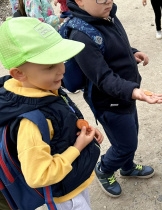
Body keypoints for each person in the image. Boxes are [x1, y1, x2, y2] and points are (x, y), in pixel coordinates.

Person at [0, 17, 104, 209]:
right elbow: (39, 176)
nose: (61, 71)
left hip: (73, 178)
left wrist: (82, 126)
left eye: (61, 60)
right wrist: (78, 148)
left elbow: (61, 116)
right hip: (66, 198)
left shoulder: (42, 86)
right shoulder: (29, 124)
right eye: (49, 66)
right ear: (19, 74)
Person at [66, 0, 162, 197]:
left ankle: (127, 167)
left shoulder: (106, 14)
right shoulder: (81, 36)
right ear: (80, 2)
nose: (108, 2)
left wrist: (132, 51)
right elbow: (103, 78)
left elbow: (117, 45)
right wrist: (135, 91)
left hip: (125, 95)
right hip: (108, 102)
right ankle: (104, 169)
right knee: (125, 144)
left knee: (132, 135)